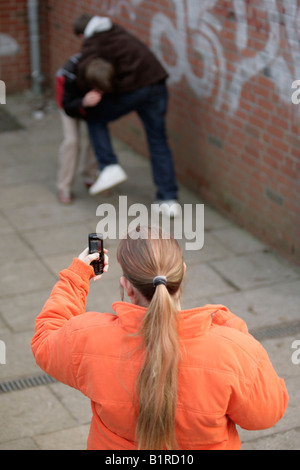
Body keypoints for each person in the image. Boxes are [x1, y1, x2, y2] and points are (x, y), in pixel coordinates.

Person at [31, 226, 288, 450]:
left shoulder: (87, 338)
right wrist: (232, 328)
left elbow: (46, 338)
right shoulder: (233, 351)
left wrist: (77, 277)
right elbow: (266, 415)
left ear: (127, 286)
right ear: (183, 273)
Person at [70, 14, 180, 218]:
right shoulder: (117, 31)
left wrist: (87, 93)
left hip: (135, 91)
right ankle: (168, 199)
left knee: (94, 116)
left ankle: (109, 165)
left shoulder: (93, 43)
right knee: (158, 141)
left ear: (83, 35)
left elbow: (86, 71)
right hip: (157, 85)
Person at [56, 53, 98, 204]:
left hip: (94, 107)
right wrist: (83, 102)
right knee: (72, 141)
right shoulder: (68, 76)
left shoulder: (106, 72)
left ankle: (91, 176)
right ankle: (64, 186)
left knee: (98, 138)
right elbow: (66, 105)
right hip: (71, 104)